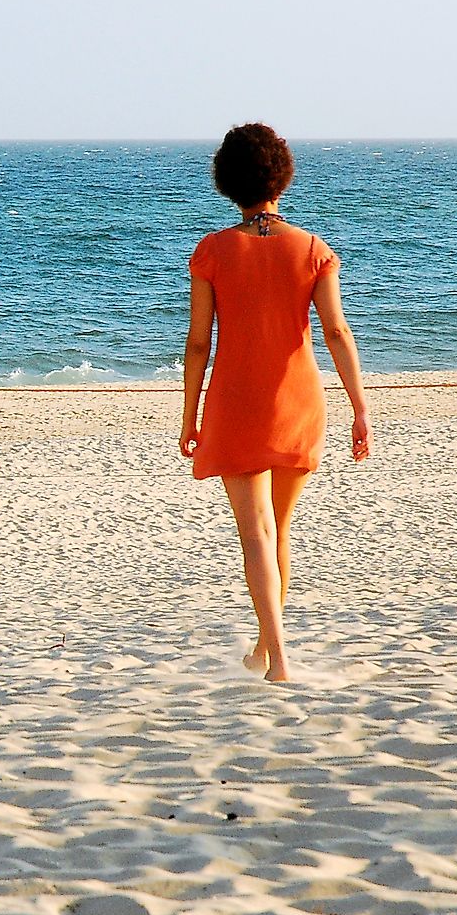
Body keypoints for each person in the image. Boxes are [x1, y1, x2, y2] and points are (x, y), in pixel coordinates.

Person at [180, 124, 370, 683]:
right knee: (279, 528)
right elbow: (336, 332)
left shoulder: (213, 251)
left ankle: (279, 658)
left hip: (237, 401)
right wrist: (360, 406)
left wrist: (189, 414)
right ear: (280, 178)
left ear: (228, 182)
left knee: (257, 531)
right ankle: (266, 648)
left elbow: (198, 344)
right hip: (299, 399)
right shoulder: (312, 250)